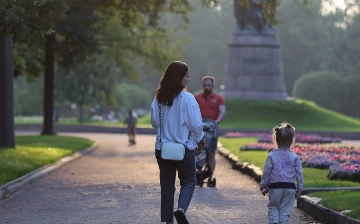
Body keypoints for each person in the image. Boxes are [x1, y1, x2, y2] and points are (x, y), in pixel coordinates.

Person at [151, 61, 206, 224]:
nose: (189, 78)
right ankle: (181, 209)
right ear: (178, 77)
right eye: (186, 75)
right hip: (184, 148)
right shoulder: (187, 99)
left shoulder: (158, 99)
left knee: (167, 185)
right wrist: (200, 138)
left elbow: (155, 123)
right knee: (189, 181)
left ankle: (166, 220)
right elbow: (195, 124)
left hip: (163, 148)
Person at [260, 123, 304, 224]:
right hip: (290, 187)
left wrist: (263, 184)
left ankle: (274, 221)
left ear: (276, 139)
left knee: (274, 207)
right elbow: (299, 174)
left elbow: (266, 172)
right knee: (285, 209)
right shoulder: (295, 157)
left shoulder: (272, 155)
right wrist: (299, 188)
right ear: (292, 140)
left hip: (275, 187)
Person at [194, 76, 226, 187]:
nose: (206, 87)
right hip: (199, 128)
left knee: (211, 153)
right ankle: (196, 172)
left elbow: (222, 110)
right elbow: (192, 111)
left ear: (213, 86)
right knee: (196, 151)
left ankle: (210, 175)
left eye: (209, 85)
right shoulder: (197, 98)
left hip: (212, 128)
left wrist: (217, 121)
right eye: (205, 85)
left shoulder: (218, 98)